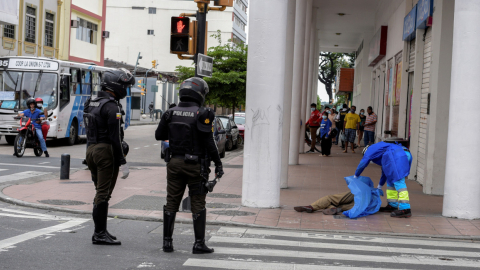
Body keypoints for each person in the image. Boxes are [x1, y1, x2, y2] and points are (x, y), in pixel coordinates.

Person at [155, 77, 224, 254]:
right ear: (200, 93)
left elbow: (159, 135)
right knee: (198, 203)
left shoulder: (170, 113)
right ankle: (198, 244)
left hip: (174, 163)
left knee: (172, 201)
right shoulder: (203, 114)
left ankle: (167, 243)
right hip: (196, 165)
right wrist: (218, 163)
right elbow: (209, 142)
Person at [84, 68, 135, 245]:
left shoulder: (92, 101)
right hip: (106, 152)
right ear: (116, 85)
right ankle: (99, 233)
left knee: (100, 191)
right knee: (103, 194)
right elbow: (115, 138)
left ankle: (101, 230)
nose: (126, 90)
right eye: (125, 87)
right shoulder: (112, 106)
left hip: (91, 150)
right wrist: (123, 162)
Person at [355, 142, 413, 218]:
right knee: (390, 180)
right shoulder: (381, 150)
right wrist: (379, 186)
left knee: (399, 181)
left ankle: (405, 209)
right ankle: (392, 205)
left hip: (397, 155)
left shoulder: (369, 150)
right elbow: (385, 172)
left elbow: (363, 163)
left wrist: (355, 176)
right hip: (403, 153)